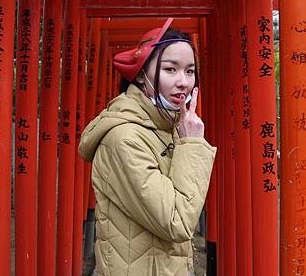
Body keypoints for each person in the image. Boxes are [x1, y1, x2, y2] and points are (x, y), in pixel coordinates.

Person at [78, 18, 217, 276]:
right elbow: (177, 221)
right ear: (142, 75)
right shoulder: (124, 138)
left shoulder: (167, 125)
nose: (184, 82)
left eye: (189, 71)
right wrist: (193, 145)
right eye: (170, 69)